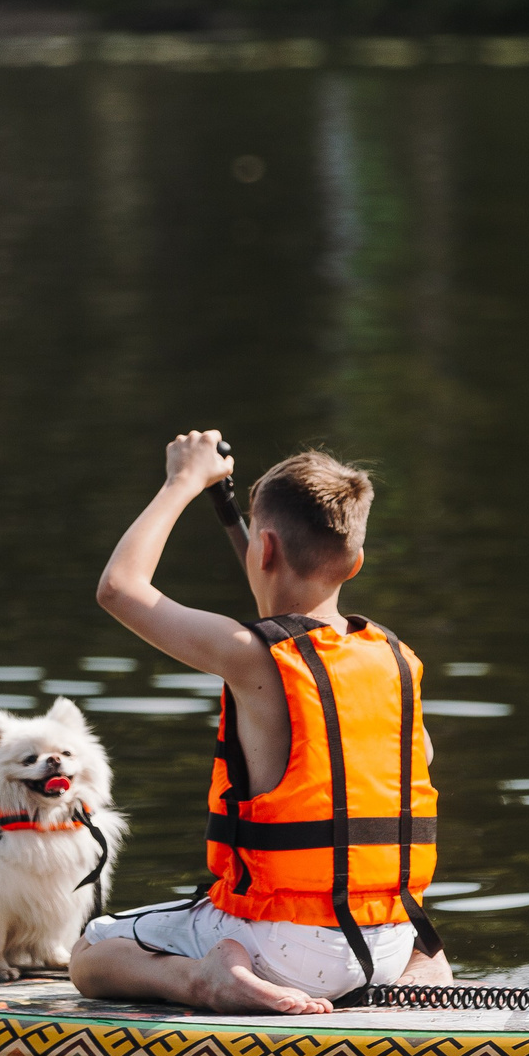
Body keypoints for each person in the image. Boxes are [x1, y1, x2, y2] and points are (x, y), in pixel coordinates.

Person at [72, 430, 451, 1015]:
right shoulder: (396, 663)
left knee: (93, 952)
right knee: (381, 927)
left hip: (281, 946)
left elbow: (119, 589)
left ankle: (209, 979)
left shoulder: (250, 657)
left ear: (263, 548)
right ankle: (425, 972)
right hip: (391, 937)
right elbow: (412, 759)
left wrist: (182, 482)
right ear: (355, 562)